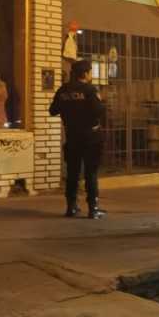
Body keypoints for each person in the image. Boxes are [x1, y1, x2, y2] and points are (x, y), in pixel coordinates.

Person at [50, 59, 106, 219]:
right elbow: (99, 111)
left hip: (72, 136)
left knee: (73, 172)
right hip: (91, 136)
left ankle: (71, 207)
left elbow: (53, 110)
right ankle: (93, 208)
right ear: (86, 73)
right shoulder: (90, 90)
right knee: (91, 173)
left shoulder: (63, 90)